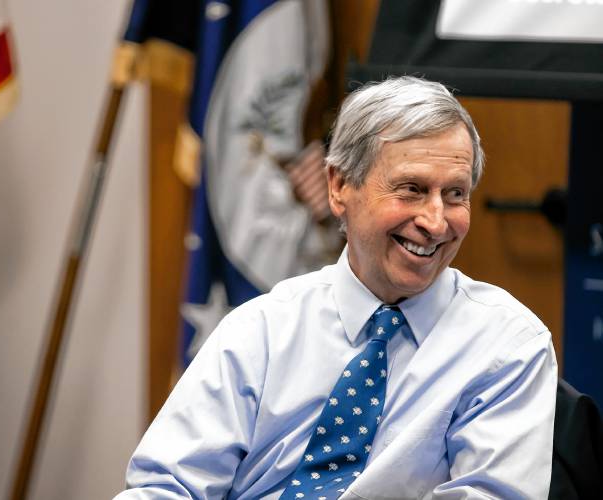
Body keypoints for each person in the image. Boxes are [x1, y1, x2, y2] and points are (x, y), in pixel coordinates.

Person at [114, 76, 557, 499]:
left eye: (456, 194)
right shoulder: (262, 329)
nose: (437, 222)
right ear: (340, 186)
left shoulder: (507, 346)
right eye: (412, 189)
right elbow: (166, 487)